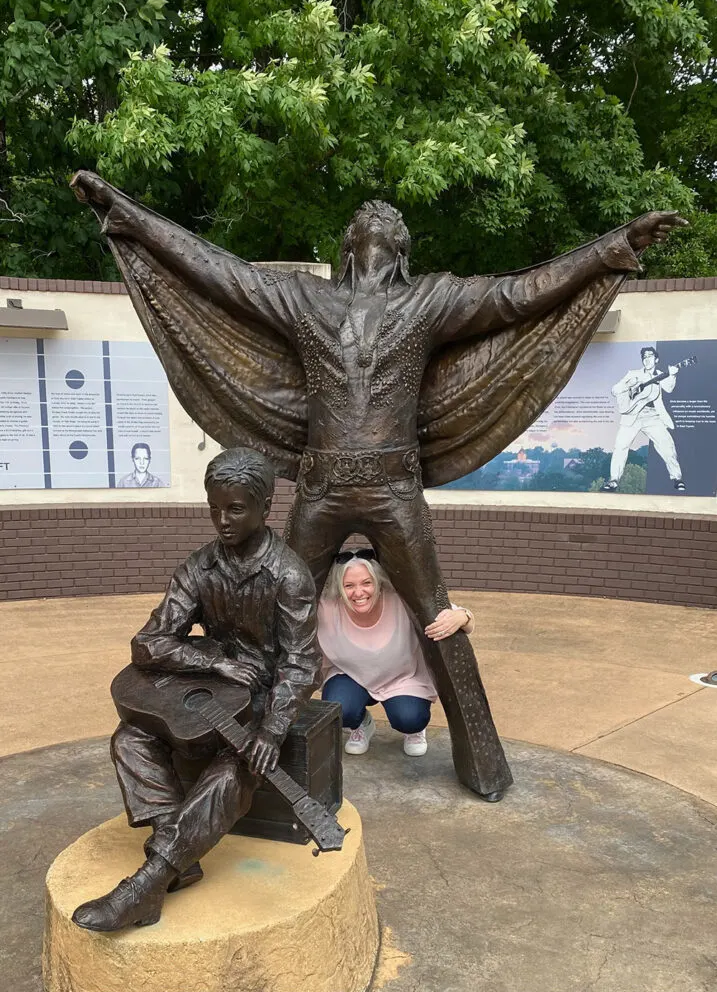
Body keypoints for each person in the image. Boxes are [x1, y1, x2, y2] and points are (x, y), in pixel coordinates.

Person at [71, 168, 686, 801]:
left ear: (400, 249)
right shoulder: (306, 298)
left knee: (438, 614)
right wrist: (125, 212)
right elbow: (217, 270)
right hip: (321, 486)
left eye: (385, 225)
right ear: (350, 245)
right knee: (272, 619)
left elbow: (518, 295)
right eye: (366, 224)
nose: (375, 227)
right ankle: (234, 754)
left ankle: (485, 766)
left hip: (395, 487)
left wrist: (615, 247)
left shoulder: (429, 299)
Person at [71, 447, 320, 932]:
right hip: (207, 688)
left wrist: (271, 731)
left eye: (235, 508)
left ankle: (149, 882)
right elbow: (148, 643)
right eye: (214, 508)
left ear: (265, 507)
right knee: (129, 740)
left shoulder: (288, 575)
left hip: (262, 701)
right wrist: (213, 660)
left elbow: (301, 662)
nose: (221, 520)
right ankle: (181, 859)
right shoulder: (198, 568)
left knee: (233, 772)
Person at [319, 549, 474, 758]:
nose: (358, 592)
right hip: (351, 675)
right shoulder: (327, 607)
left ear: (378, 582)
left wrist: (462, 616)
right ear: (339, 587)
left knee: (409, 718)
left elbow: (460, 616)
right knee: (339, 710)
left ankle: (414, 731)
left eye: (366, 583)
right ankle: (360, 724)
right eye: (349, 586)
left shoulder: (402, 600)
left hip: (402, 677)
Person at [602, 346, 684, 492]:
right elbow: (614, 390)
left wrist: (672, 375)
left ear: (656, 359)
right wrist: (630, 384)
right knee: (620, 446)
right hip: (632, 416)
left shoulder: (661, 375)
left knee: (667, 446)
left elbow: (669, 388)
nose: (647, 359)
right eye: (644, 357)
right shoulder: (633, 374)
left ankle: (677, 478)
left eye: (650, 356)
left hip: (653, 417)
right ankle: (613, 480)